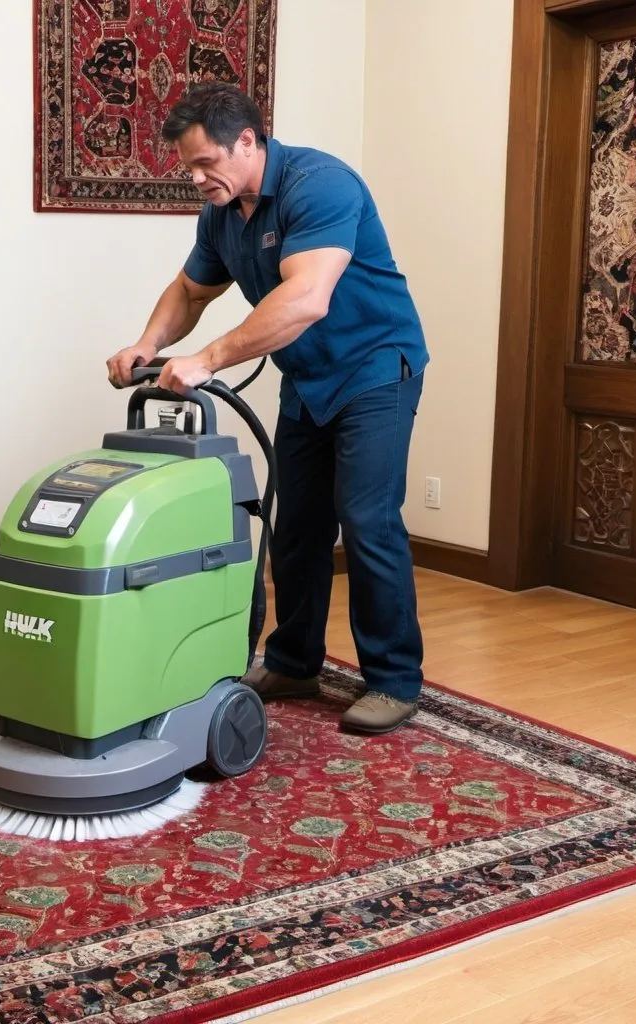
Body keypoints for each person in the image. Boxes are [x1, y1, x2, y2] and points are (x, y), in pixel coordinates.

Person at [106, 82, 428, 734]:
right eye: (187, 166)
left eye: (204, 163)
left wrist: (208, 359)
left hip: (375, 368)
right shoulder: (222, 214)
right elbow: (190, 291)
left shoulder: (321, 184)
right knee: (297, 526)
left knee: (366, 519)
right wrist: (150, 342)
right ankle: (294, 662)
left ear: (248, 141)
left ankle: (394, 680)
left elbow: (308, 297)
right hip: (308, 378)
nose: (196, 178)